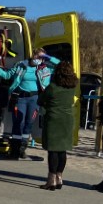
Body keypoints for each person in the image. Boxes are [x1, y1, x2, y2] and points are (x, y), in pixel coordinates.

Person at [0, 48, 59, 158]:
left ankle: (22, 149)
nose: (39, 59)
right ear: (33, 56)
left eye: (42, 58)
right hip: (20, 98)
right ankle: (14, 149)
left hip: (34, 98)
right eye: (38, 57)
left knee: (29, 123)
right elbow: (7, 75)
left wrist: (49, 58)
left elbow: (60, 66)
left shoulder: (45, 68)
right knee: (19, 122)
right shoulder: (21, 65)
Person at [36, 60, 77, 190]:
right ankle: (60, 177)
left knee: (53, 150)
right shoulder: (72, 87)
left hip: (54, 119)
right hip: (67, 119)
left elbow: (41, 100)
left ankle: (51, 179)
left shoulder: (52, 87)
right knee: (62, 150)